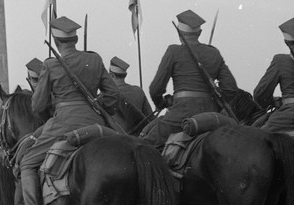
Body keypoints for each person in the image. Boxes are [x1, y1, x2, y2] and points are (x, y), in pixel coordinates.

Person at [11, 16, 118, 205]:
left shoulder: (51, 64)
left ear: (56, 41)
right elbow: (113, 93)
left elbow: (38, 105)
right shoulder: (94, 59)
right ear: (76, 38)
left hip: (63, 122)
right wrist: (98, 106)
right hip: (95, 121)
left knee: (28, 162)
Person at [140, 9, 238, 148]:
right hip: (210, 115)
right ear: (199, 33)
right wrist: (216, 104)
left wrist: (161, 103)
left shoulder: (174, 51)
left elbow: (155, 89)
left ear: (179, 34)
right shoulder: (213, 53)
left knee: (145, 147)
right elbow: (231, 88)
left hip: (180, 114)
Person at [251, 17, 294, 133]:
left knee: (256, 137)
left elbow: (260, 94)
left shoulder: (280, 60)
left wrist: (272, 102)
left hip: (288, 116)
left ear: (287, 43)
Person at [108, 56, 153, 135]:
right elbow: (150, 117)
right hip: (138, 138)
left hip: (116, 139)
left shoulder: (107, 94)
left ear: (111, 75)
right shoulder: (138, 91)